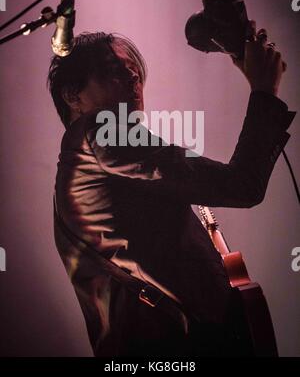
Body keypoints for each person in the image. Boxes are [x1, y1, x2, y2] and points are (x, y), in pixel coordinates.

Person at [48, 24, 295, 357]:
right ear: (72, 95)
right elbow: (242, 185)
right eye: (112, 70)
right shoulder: (98, 133)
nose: (133, 74)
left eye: (132, 67)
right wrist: (264, 90)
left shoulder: (96, 160)